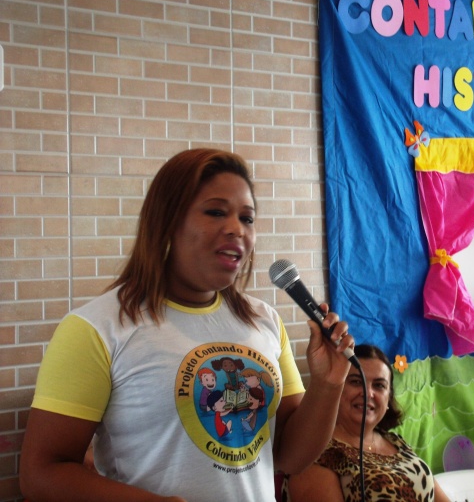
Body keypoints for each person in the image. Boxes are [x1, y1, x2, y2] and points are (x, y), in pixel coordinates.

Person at [19, 148, 356, 502]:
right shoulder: (96, 328)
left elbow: (289, 457)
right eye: (216, 212)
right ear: (167, 221)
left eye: (247, 218)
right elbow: (41, 475)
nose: (236, 229)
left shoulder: (265, 321)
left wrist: (328, 384)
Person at [285, 344, 450, 502]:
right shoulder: (314, 452)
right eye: (356, 382)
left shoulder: (396, 441)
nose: (368, 393)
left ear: (389, 399)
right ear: (336, 388)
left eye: (379, 385)